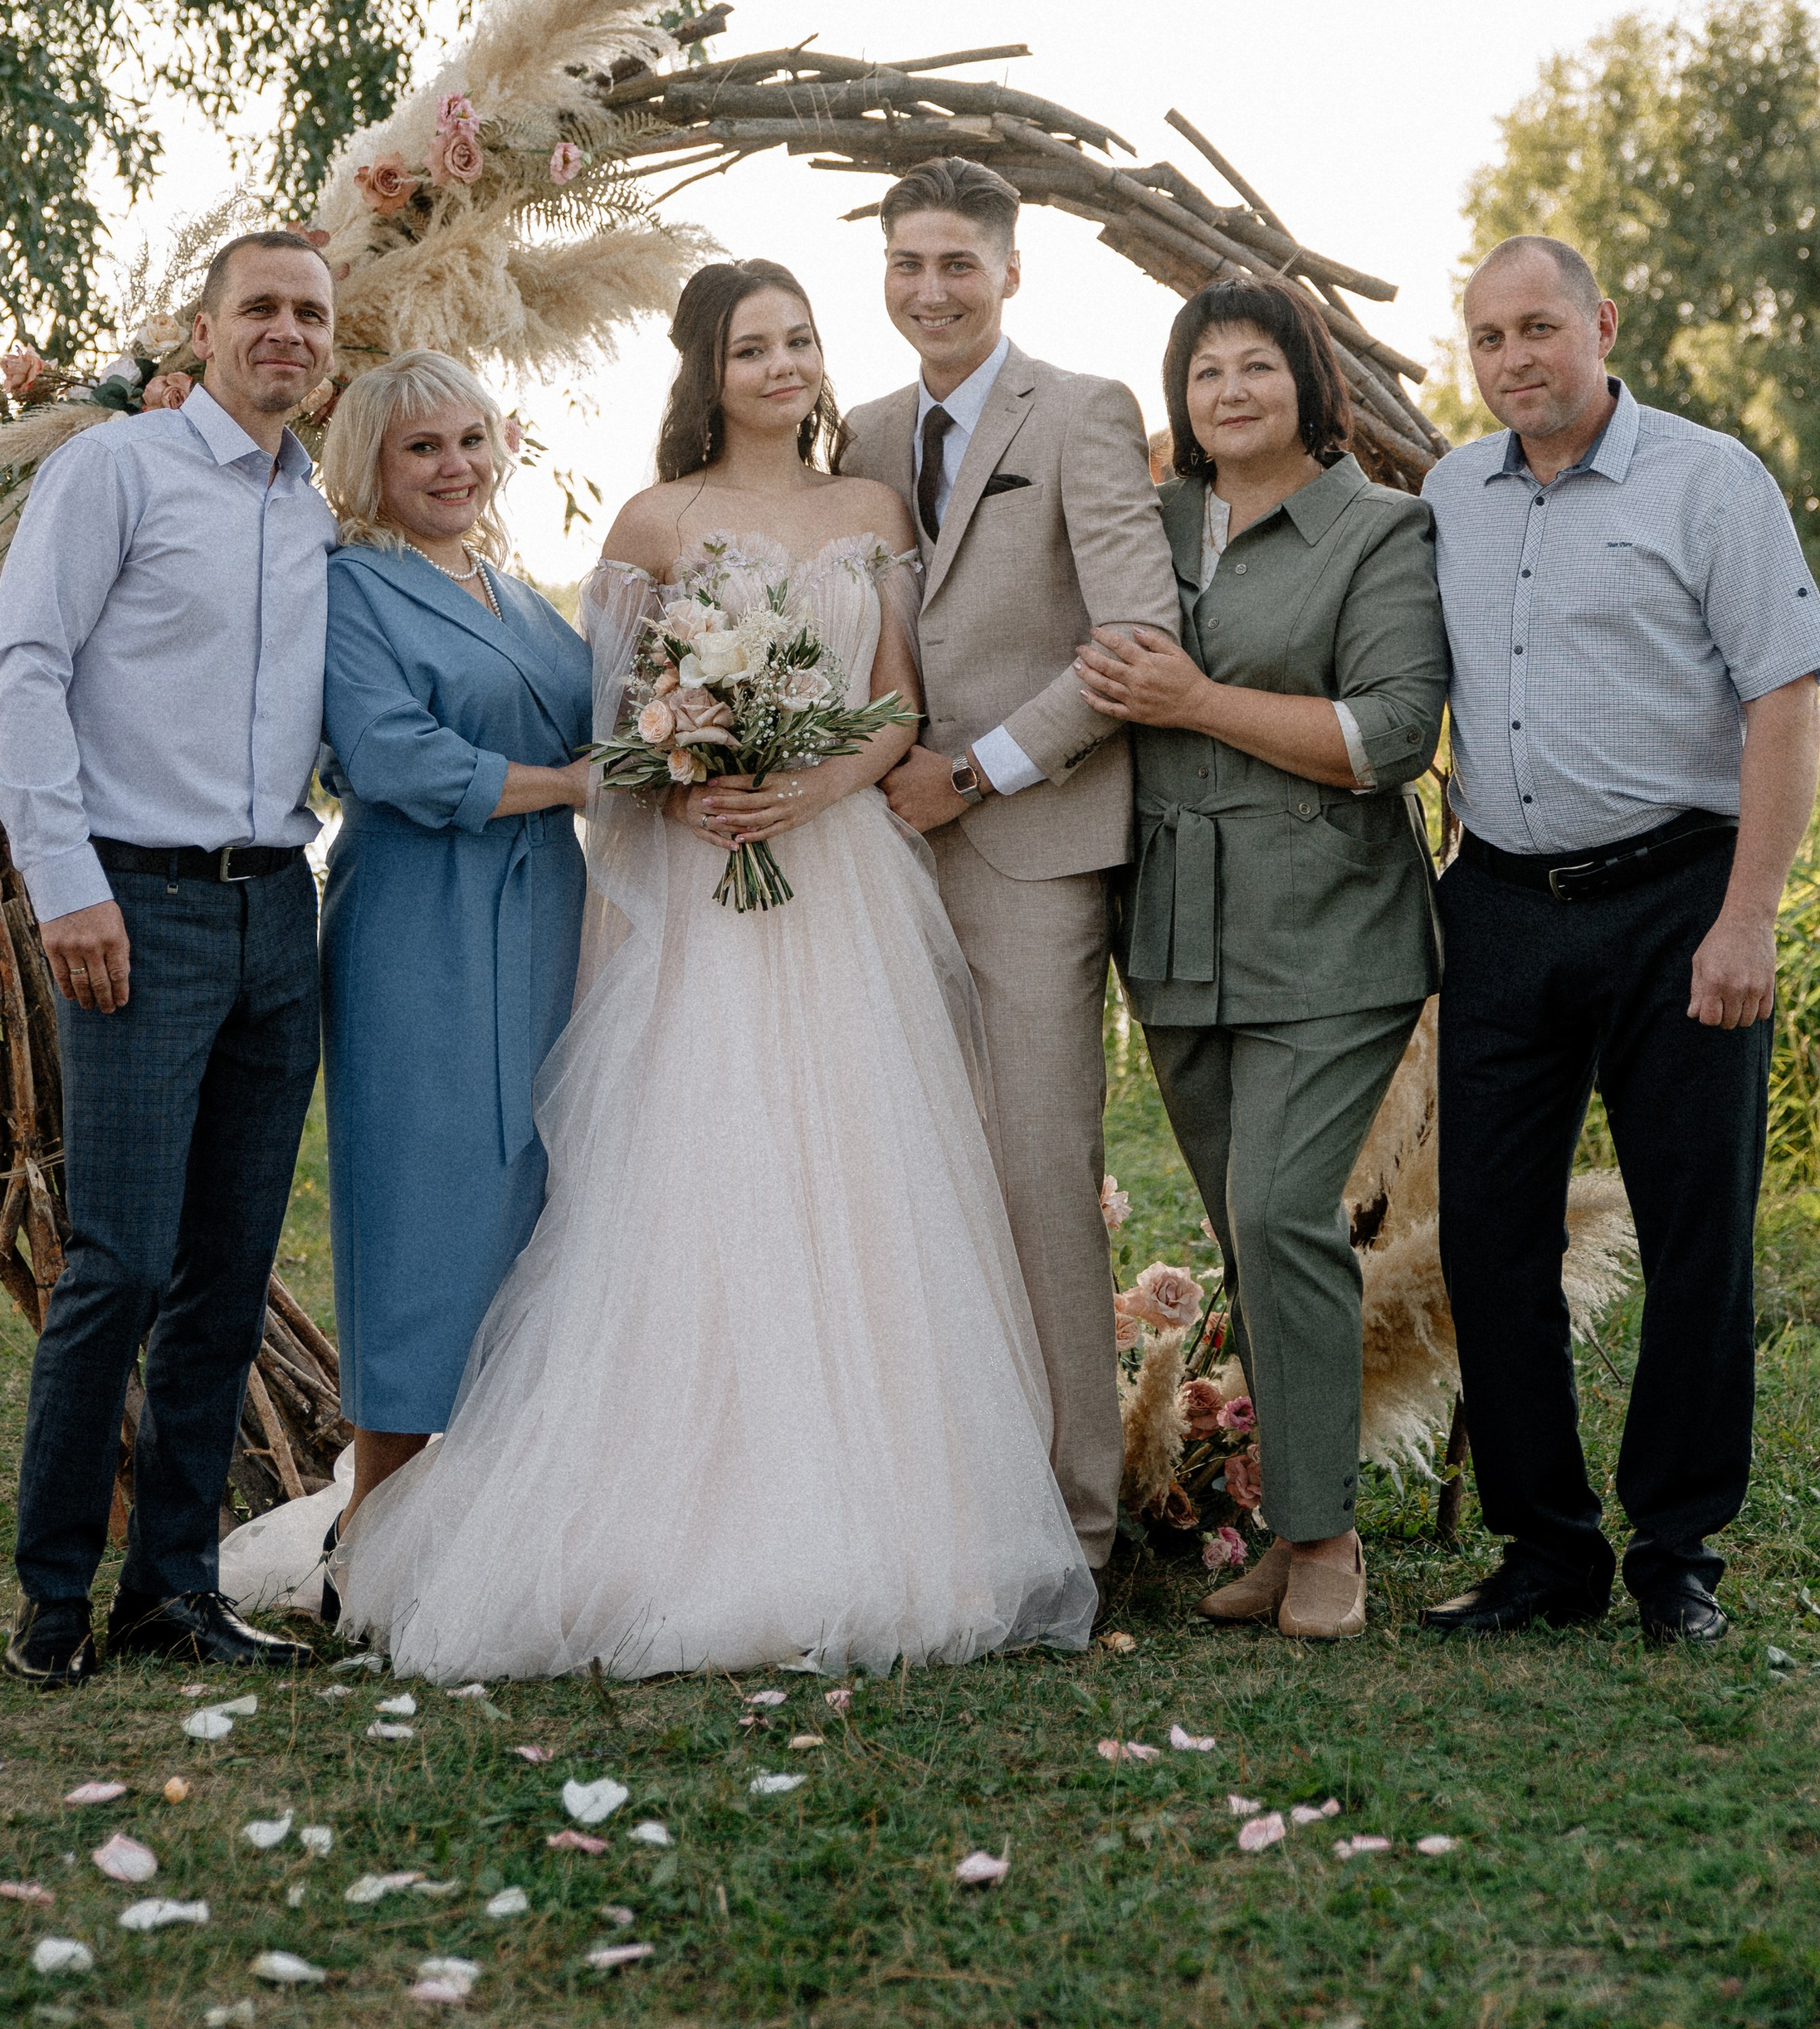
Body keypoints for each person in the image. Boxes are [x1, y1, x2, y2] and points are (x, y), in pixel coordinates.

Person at [334, 260, 1095, 1676]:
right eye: (753, 346)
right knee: (698, 1175)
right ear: (707, 369)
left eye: (801, 340)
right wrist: (694, 777)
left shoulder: (871, 510)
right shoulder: (654, 521)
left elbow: (899, 708)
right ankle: (660, 1503)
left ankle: (882, 1502)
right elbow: (614, 733)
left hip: (841, 878)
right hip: (702, 884)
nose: (786, 365)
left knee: (860, 1182)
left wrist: (814, 791)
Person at [1422, 236, 1820, 1647]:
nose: (1514, 359)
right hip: (1496, 904)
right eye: (1488, 339)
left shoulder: (1708, 479)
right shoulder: (1446, 496)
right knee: (1487, 1238)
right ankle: (1547, 1553)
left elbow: (1787, 697)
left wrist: (1751, 914)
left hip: (1680, 899)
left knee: (1695, 1235)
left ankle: (1678, 1555)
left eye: (1538, 327)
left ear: (1602, 323)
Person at [0, 232, 339, 1686]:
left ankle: (172, 1592)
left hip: (278, 911)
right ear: (201, 330)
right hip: (134, 907)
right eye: (261, 306)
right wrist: (65, 885)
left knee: (228, 1270)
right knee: (118, 1265)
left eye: (311, 315)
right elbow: (25, 672)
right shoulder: (115, 473)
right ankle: (53, 1601)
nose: (287, 333)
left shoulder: (319, 514)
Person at [1076, 277, 1448, 1641]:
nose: (1229, 392)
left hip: (1333, 924)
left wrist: (1194, 701)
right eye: (1203, 372)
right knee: (1253, 1229)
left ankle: (1329, 1544)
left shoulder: (1377, 530)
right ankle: (1293, 1538)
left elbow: (1392, 733)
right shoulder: (1152, 521)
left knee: (1288, 1208)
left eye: (1257, 366)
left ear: (1309, 378)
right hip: (1178, 929)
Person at [839, 159, 1181, 1572]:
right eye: (908, 263)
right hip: (868, 860)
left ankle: (1077, 1522)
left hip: (1030, 849)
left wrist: (971, 773)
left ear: (1011, 273)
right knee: (901, 1165)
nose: (931, 289)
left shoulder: (1087, 411)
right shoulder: (853, 434)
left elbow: (1135, 643)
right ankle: (934, 1487)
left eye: (958, 265)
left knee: (1042, 1171)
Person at [314, 351, 590, 1536]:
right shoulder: (348, 590)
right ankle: (376, 1512)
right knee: (422, 1194)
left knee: (533, 1179)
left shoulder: (517, 593)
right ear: (370, 464)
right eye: (423, 447)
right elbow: (392, 758)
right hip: (418, 920)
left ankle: (499, 1505)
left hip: (549, 914)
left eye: (471, 439)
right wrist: (574, 782)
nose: (454, 466)